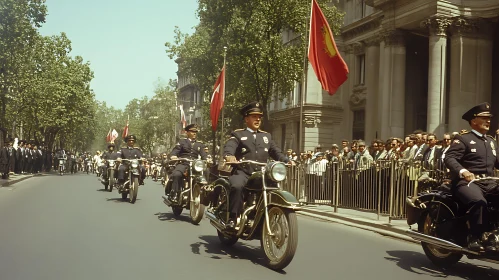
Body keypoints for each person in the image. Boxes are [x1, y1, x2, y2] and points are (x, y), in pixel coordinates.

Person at [223, 101, 293, 228]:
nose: (258, 119)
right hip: (243, 171)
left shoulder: (266, 136)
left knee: (274, 188)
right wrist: (229, 156)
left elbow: (276, 151)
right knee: (237, 186)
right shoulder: (238, 134)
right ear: (246, 118)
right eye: (254, 116)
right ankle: (233, 217)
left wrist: (286, 160)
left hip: (261, 173)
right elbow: (230, 146)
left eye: (259, 117)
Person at [445, 102, 499, 252]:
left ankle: (492, 235)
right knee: (478, 201)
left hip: (489, 182)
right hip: (467, 182)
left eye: (489, 118)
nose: (488, 121)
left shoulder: (491, 141)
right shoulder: (463, 139)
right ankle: (474, 237)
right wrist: (463, 171)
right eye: (484, 118)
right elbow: (449, 158)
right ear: (474, 121)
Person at [167, 124, 207, 201]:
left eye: (195, 132)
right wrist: (173, 156)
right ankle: (174, 193)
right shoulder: (182, 142)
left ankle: (205, 192)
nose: (194, 133)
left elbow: (204, 155)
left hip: (195, 165)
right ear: (187, 132)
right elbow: (175, 151)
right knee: (177, 174)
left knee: (206, 172)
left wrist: (207, 159)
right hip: (183, 163)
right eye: (192, 131)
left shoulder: (200, 144)